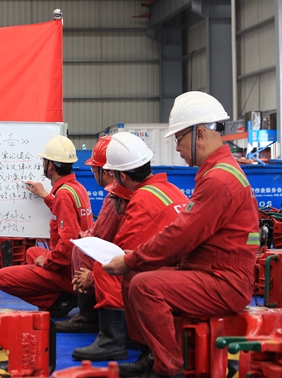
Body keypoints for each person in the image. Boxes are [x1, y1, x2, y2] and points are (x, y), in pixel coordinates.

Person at [103, 91, 260, 378]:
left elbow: (181, 235)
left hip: (224, 281)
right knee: (135, 275)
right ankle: (152, 354)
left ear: (199, 134)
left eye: (178, 139)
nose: (177, 148)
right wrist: (135, 261)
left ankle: (169, 369)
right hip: (211, 272)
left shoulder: (219, 179)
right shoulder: (217, 173)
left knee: (145, 285)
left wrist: (131, 259)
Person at [72, 132, 188, 362]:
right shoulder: (170, 189)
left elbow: (121, 255)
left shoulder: (142, 199)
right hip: (182, 268)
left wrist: (91, 278)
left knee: (107, 267)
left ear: (122, 175)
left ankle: (112, 341)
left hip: (169, 273)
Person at [0, 135, 93, 318]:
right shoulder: (76, 188)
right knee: (32, 252)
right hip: (79, 264)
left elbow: (67, 244)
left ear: (51, 165)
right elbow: (66, 213)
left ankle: (60, 299)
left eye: (44, 161)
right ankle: (63, 296)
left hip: (70, 270)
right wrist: (45, 195)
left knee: (2, 277)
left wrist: (47, 262)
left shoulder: (63, 195)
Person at [57, 136, 126, 333]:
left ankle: (88, 316)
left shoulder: (115, 197)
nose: (93, 174)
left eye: (94, 169)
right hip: (137, 260)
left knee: (82, 248)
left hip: (128, 265)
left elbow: (98, 236)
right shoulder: (78, 189)